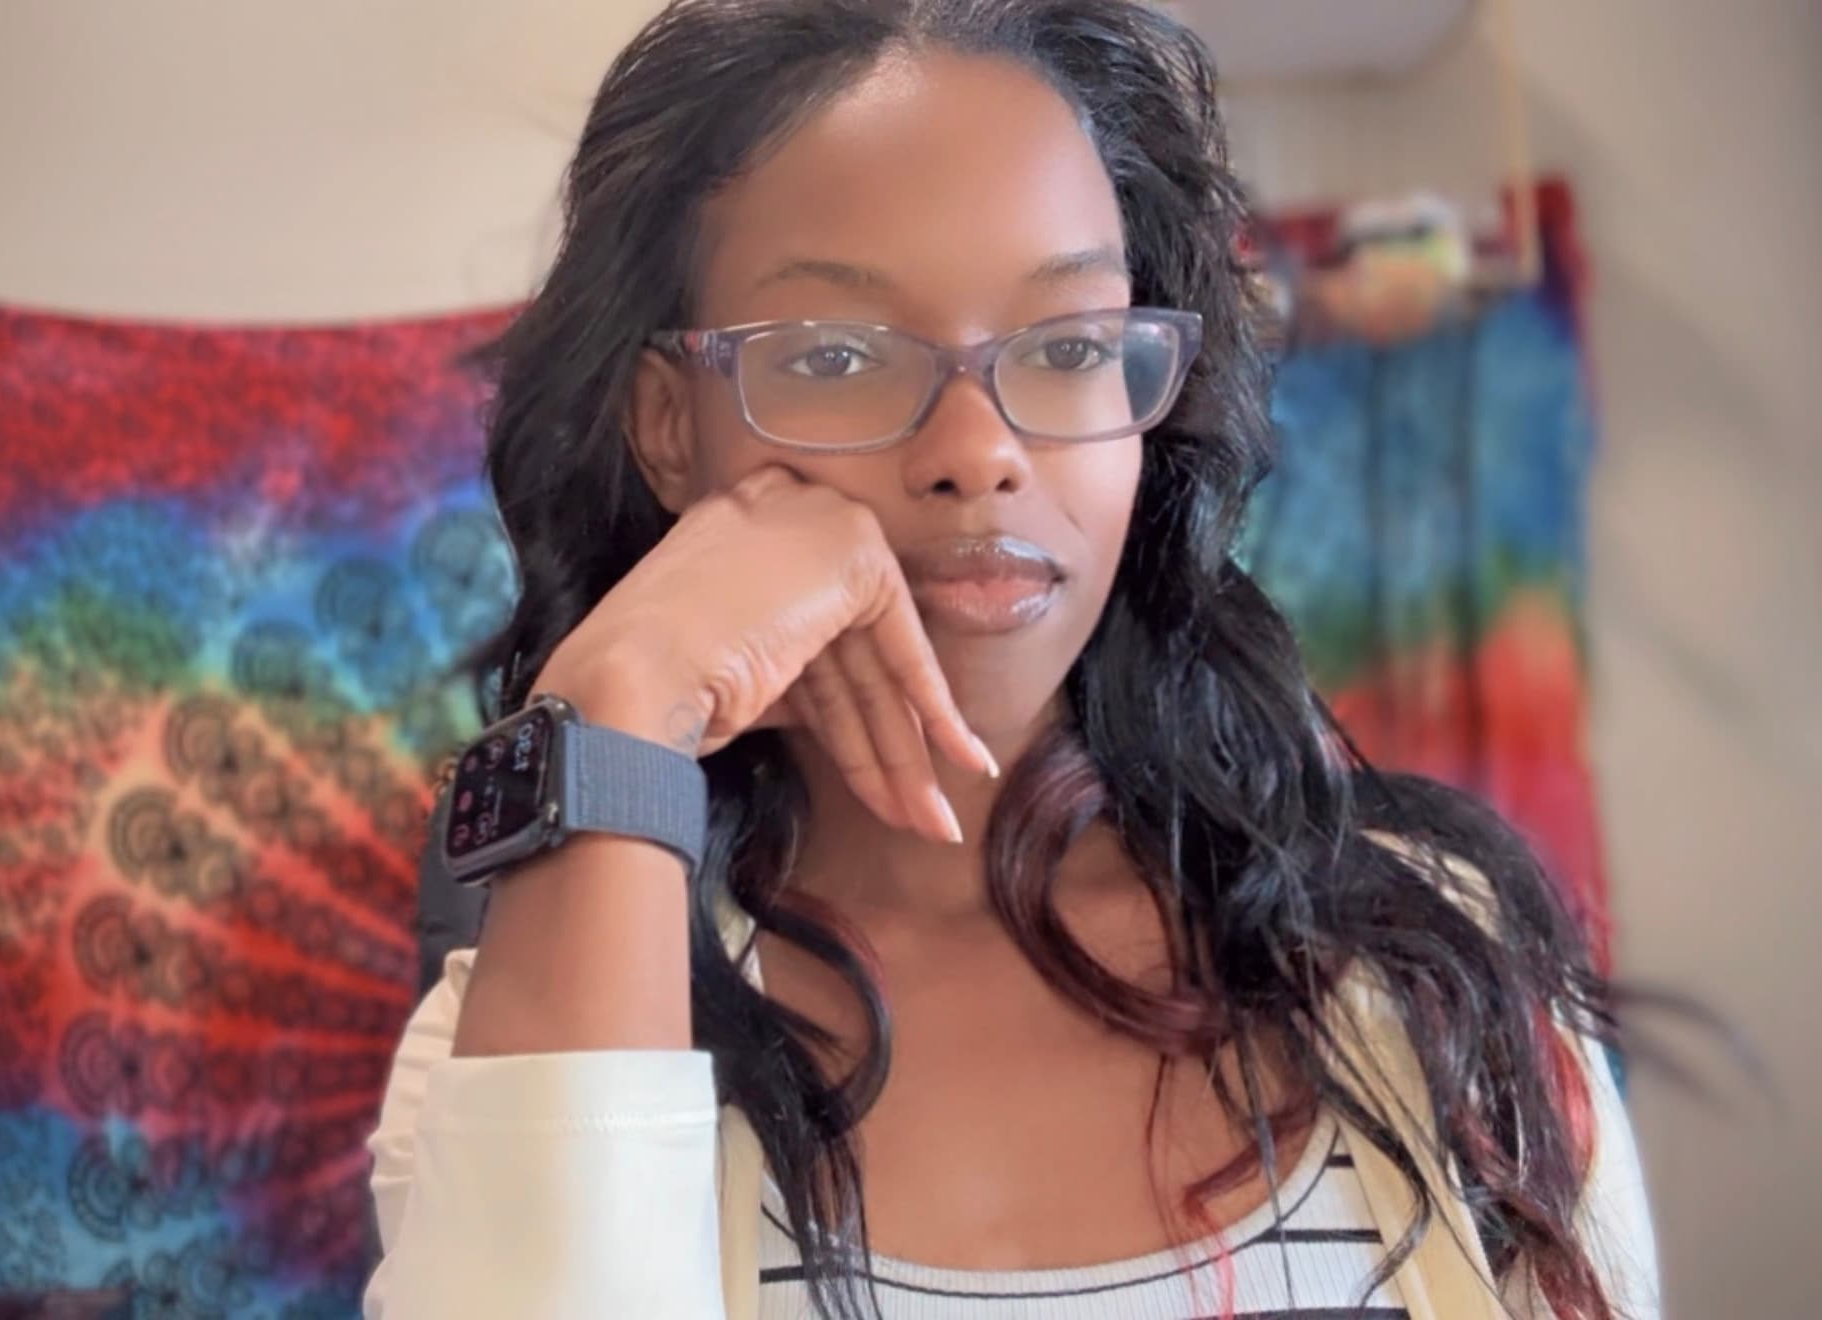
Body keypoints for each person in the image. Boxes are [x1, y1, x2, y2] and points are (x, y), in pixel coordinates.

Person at [365, 1, 1658, 1316]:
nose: (979, 448)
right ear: (666, 426)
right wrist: (613, 700)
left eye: (1070, 346)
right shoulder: (493, 1049)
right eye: (835, 355)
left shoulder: (1445, 975)